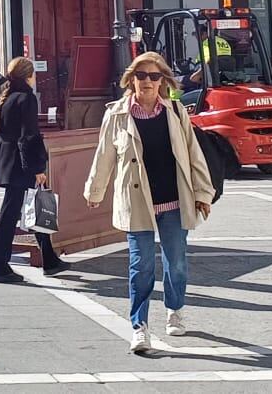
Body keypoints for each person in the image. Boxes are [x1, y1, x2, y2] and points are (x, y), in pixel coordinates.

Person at [83, 52, 217, 354]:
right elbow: (104, 155)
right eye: (141, 76)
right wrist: (95, 191)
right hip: (137, 201)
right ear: (131, 79)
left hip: (174, 199)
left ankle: (175, 308)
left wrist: (202, 194)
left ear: (163, 81)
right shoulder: (116, 114)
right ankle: (139, 327)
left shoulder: (176, 112)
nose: (147, 82)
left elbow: (194, 155)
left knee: (177, 263)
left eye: (154, 76)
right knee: (140, 265)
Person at [0, 58, 67, 283]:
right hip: (21, 162)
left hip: (5, 161)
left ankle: (49, 258)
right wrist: (37, 167)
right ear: (29, 76)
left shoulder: (2, 98)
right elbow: (29, 136)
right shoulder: (26, 98)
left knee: (34, 207)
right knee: (12, 214)